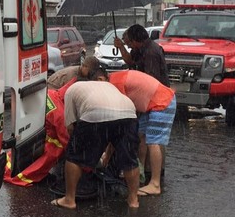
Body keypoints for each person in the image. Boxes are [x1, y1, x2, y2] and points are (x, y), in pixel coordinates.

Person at [51, 66, 140, 209]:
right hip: (129, 113)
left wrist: (78, 148)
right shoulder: (110, 87)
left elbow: (70, 127)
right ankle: (133, 200)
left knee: (74, 157)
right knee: (129, 159)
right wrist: (106, 156)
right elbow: (113, 132)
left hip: (94, 112)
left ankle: (69, 199)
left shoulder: (71, 90)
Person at [105, 68, 176, 196]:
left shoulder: (115, 85)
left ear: (101, 80)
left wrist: (107, 154)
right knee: (139, 137)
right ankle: (140, 172)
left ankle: (155, 184)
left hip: (162, 102)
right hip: (151, 103)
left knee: (153, 142)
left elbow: (118, 117)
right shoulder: (116, 78)